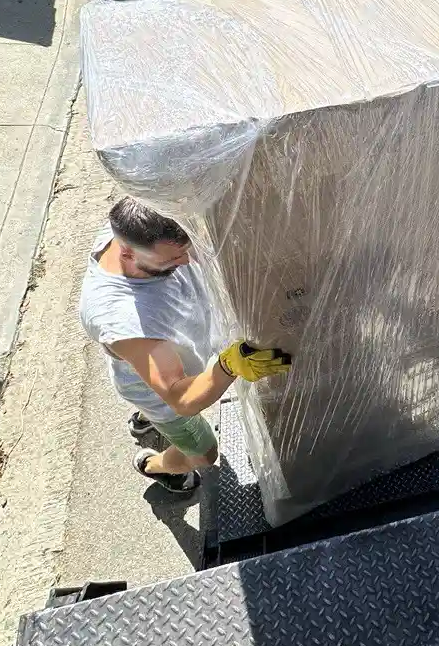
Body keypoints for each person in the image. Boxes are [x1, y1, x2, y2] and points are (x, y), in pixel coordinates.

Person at [80, 196, 291, 494]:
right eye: (172, 260)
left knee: (157, 389)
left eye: (186, 248)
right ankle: (155, 467)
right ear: (127, 252)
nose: (187, 260)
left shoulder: (136, 221)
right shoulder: (125, 321)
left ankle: (145, 419)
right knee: (203, 454)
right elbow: (181, 398)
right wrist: (227, 366)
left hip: (166, 363)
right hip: (163, 396)